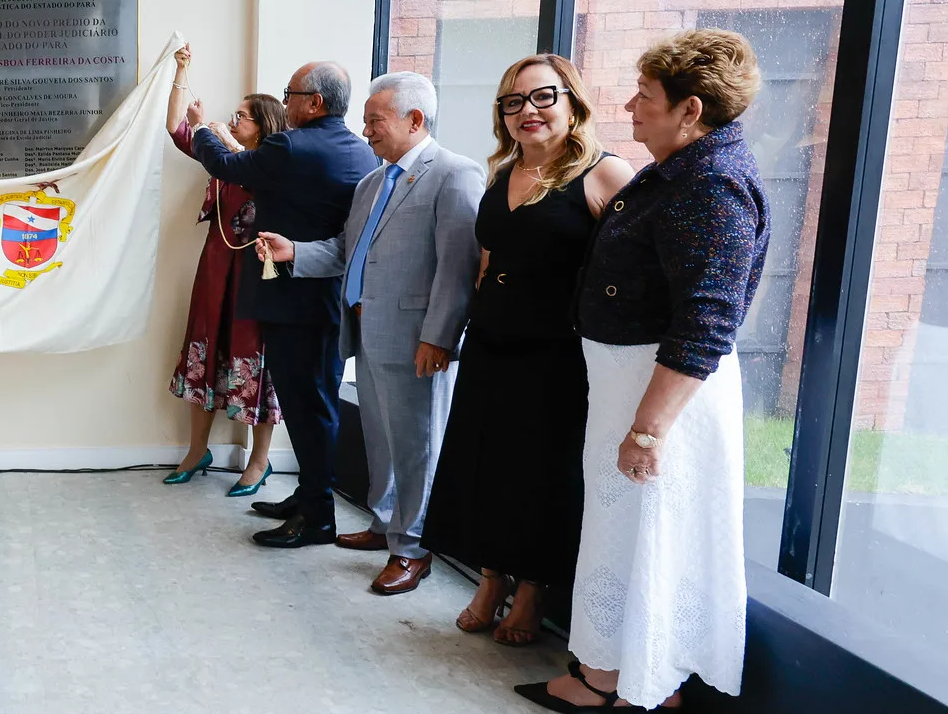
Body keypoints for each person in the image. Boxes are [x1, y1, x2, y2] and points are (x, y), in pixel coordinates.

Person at [517, 29, 768, 714]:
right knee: (635, 532)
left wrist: (648, 430)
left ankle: (606, 679)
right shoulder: (683, 169)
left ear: (690, 111)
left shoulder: (712, 184)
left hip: (657, 399)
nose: (629, 105)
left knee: (640, 530)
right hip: (634, 388)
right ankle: (638, 676)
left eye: (646, 97)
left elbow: (707, 324)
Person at [421, 56, 633, 643]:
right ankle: (491, 578)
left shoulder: (604, 174)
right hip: (491, 342)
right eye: (513, 102)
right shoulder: (502, 173)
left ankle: (533, 588)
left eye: (542, 97)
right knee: (486, 464)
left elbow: (642, 271)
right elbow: (489, 260)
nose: (528, 112)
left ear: (573, 102)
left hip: (558, 355)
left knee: (540, 473)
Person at [256, 71, 486, 594]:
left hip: (419, 341)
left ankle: (413, 549)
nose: (366, 131)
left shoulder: (454, 174)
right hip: (367, 331)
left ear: (414, 119)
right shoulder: (372, 182)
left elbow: (457, 266)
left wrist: (440, 338)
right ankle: (385, 524)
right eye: (365, 120)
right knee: (382, 439)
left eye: (375, 121)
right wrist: (293, 251)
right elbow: (342, 251)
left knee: (418, 445)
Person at [189, 61, 380, 545]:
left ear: (314, 102)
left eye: (291, 93)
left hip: (294, 300)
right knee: (313, 406)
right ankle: (310, 495)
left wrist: (204, 132)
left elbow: (226, 166)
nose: (286, 101)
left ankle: (316, 519)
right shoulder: (361, 153)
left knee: (309, 409)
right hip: (328, 302)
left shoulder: (290, 147)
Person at [161, 45, 284, 494]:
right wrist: (181, 71)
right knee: (205, 350)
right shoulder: (222, 158)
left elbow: (247, 170)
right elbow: (176, 131)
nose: (234, 121)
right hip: (216, 267)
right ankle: (198, 451)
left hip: (257, 272)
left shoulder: (276, 161)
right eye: (233, 114)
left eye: (243, 116)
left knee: (257, 363)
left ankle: (259, 461)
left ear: (264, 125)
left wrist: (214, 134)